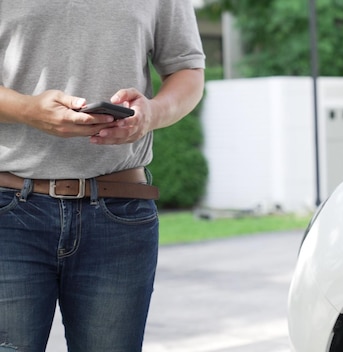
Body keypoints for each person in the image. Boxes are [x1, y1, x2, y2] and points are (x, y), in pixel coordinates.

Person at [0, 1, 205, 351]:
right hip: (9, 215)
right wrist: (27, 110)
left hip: (120, 214)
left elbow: (187, 70)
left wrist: (151, 113)